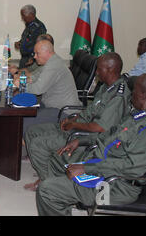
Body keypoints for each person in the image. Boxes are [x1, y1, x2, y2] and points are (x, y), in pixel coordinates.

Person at [36, 73, 146, 216]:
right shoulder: (140, 114)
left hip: (116, 187)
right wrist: (81, 141)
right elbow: (111, 135)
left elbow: (130, 167)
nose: (131, 93)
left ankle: (59, 195)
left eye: (134, 90)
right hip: (102, 164)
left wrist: (87, 168)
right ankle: (62, 201)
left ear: (143, 95)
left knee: (47, 191)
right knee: (57, 160)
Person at [24, 52, 132, 191]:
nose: (97, 72)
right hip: (78, 126)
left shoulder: (118, 96)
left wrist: (74, 125)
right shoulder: (106, 86)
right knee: (32, 131)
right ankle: (46, 171)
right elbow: (91, 110)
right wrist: (73, 118)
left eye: (99, 69)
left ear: (110, 70)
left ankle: (47, 184)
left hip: (85, 137)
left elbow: (100, 128)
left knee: (38, 144)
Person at [17, 40, 81, 133]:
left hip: (63, 111)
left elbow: (38, 89)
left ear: (47, 52)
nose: (34, 56)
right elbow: (35, 79)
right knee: (21, 113)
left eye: (37, 53)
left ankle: (23, 144)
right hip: (50, 105)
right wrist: (25, 81)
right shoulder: (52, 62)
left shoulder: (53, 65)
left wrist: (20, 85)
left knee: (22, 122)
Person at [14, 5, 47, 69]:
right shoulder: (29, 25)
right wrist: (20, 43)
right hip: (25, 59)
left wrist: (32, 58)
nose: (22, 18)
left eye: (23, 15)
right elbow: (28, 39)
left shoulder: (38, 27)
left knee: (26, 77)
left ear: (31, 15)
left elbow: (40, 44)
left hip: (31, 61)